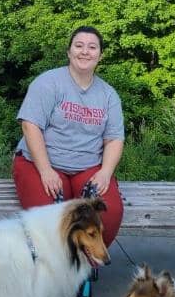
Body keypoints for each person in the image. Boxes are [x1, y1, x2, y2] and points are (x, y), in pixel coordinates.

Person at [12, 26, 124, 247]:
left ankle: (85, 260)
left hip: (88, 166)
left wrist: (105, 173)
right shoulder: (48, 82)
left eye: (92, 47)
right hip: (40, 163)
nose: (85, 51)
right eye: (79, 45)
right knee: (49, 217)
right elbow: (30, 126)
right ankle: (54, 264)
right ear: (69, 51)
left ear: (100, 55)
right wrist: (45, 170)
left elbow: (114, 139)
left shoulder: (108, 95)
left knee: (108, 213)